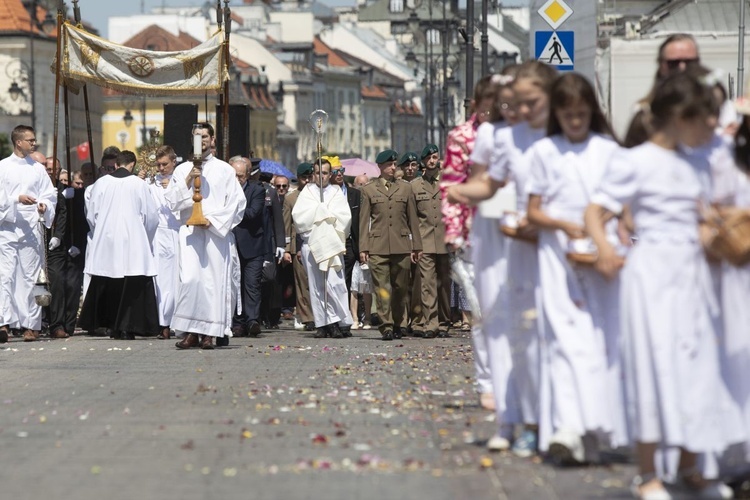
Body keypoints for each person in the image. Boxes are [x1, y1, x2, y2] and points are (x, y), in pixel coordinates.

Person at [585, 71, 739, 500]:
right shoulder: (634, 161)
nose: (712, 125)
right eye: (704, 117)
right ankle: (649, 471)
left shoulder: (702, 160)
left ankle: (691, 465)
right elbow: (597, 213)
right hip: (651, 273)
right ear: (678, 116)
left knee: (697, 366)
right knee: (652, 366)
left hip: (695, 271)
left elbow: (708, 213)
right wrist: (606, 250)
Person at [447, 61, 557, 455]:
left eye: (523, 102)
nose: (514, 110)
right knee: (499, 322)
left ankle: (543, 417)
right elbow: (480, 181)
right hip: (498, 233)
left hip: (540, 237)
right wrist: (460, 195)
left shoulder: (553, 136)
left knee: (539, 327)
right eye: (507, 103)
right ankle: (509, 417)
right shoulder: (495, 137)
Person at [526, 73, 626, 464]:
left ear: (592, 112)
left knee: (601, 337)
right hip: (557, 255)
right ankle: (567, 426)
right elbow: (533, 209)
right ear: (558, 115)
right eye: (567, 115)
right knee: (565, 339)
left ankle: (596, 425)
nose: (575, 122)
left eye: (581, 114)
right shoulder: (545, 151)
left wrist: (602, 229)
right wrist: (563, 225)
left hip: (601, 249)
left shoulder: (609, 150)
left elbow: (623, 201)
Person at [440, 73, 509, 412]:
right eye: (487, 102)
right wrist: (453, 230)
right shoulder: (463, 136)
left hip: (518, 227)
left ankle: (512, 378)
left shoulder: (518, 132)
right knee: (482, 310)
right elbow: (451, 186)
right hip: (476, 229)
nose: (493, 108)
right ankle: (487, 381)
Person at [165, 123, 246, 350]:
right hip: (191, 232)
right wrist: (189, 178)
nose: (201, 141)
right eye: (196, 136)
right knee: (191, 280)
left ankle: (210, 333)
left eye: (205, 136)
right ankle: (191, 330)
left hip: (214, 233)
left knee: (211, 282)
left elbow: (237, 203)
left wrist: (214, 220)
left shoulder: (224, 169)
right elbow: (172, 201)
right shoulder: (182, 169)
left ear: (212, 140)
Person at [78, 151, 159, 340]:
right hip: (134, 240)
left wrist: (103, 232)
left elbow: (92, 215)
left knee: (110, 281)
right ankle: (129, 327)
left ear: (116, 165)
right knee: (131, 285)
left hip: (107, 240)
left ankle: (112, 325)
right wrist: (143, 237)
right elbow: (151, 217)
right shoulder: (139, 184)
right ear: (132, 165)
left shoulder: (101, 183)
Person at [0, 125, 57, 342]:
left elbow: (49, 195)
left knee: (32, 277)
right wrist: (17, 199)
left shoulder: (37, 168)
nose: (34, 143)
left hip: (31, 228)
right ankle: (3, 322)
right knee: (4, 276)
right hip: (7, 227)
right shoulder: (3, 167)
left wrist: (43, 205)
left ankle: (31, 325)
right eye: (30, 140)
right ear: (18, 142)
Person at [359, 149, 423, 341]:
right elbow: (363, 221)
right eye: (389, 164)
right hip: (377, 246)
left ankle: (397, 323)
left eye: (395, 164)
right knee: (382, 288)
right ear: (380, 166)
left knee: (400, 288)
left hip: (401, 245)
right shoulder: (368, 189)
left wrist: (416, 246)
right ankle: (386, 326)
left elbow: (412, 218)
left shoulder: (405, 188)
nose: (393, 168)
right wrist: (364, 248)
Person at [292, 158, 353, 338]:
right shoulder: (307, 192)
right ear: (313, 174)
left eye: (325, 173)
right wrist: (320, 211)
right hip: (313, 243)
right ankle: (322, 323)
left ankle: (338, 321)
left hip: (331, 244)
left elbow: (345, 217)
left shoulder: (335, 192)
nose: (321, 177)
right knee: (317, 285)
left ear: (330, 174)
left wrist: (325, 213)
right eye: (318, 173)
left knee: (334, 283)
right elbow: (299, 217)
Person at [411, 144, 451, 338]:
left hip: (446, 240)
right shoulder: (415, 186)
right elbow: (412, 217)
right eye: (428, 158)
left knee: (444, 284)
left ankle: (444, 322)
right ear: (423, 162)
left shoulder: (449, 181)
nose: (432, 161)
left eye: (434, 157)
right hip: (425, 240)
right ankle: (431, 323)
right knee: (427, 284)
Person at [230, 156, 267, 337]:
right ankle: (237, 323)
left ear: (247, 176)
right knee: (234, 285)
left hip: (252, 246)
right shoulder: (224, 191)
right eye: (234, 176)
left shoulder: (256, 190)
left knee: (251, 285)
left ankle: (252, 320)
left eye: (241, 176)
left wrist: (230, 211)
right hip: (231, 245)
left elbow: (253, 213)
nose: (237, 180)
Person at [148, 146, 181, 339]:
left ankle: (176, 321)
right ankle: (162, 322)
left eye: (165, 164)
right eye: (158, 165)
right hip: (158, 235)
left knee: (177, 279)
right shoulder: (152, 184)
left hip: (176, 233)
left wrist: (172, 190)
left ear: (173, 162)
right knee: (160, 280)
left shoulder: (180, 180)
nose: (161, 168)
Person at [283, 163, 315, 331]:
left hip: (317, 243)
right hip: (298, 245)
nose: (308, 180)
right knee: (302, 284)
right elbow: (287, 225)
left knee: (318, 282)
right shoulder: (291, 198)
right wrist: (287, 249)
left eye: (310, 177)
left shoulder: (319, 195)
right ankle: (307, 317)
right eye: (304, 178)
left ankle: (320, 315)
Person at [328, 156, 360, 300]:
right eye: (336, 171)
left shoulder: (355, 194)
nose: (340, 174)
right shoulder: (325, 194)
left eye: (342, 170)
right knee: (333, 279)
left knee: (349, 280)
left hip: (350, 243)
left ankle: (348, 313)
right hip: (332, 242)